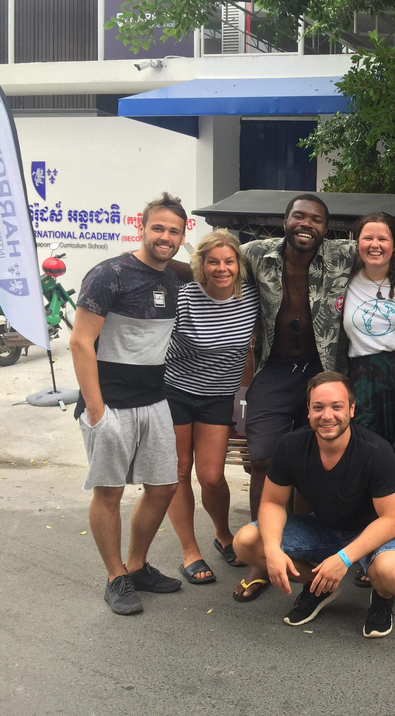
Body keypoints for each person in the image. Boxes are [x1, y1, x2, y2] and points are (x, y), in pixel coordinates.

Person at [200, 194, 395, 603]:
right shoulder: (256, 253)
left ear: (326, 227)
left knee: (320, 454)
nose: (307, 224)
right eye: (299, 216)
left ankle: (315, 547)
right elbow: (217, 257)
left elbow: (384, 242)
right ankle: (265, 560)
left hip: (324, 371)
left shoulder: (339, 254)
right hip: (275, 368)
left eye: (316, 219)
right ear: (285, 221)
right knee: (264, 459)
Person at [70, 193, 188, 615]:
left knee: (164, 486)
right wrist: (96, 410)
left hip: (154, 400)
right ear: (142, 227)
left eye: (174, 231)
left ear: (182, 236)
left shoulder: (176, 277)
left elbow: (222, 267)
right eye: (158, 228)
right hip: (110, 403)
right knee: (109, 491)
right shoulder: (109, 274)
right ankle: (115, 575)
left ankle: (136, 566)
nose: (165, 237)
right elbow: (80, 341)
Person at [232, 372, 395, 639]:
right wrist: (271, 549)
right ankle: (319, 586)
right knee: (246, 541)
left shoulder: (376, 451)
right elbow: (272, 502)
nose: (327, 415)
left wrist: (344, 558)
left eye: (336, 406)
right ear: (308, 411)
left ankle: (382, 597)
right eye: (318, 407)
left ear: (351, 409)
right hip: (323, 528)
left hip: (372, 534)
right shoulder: (290, 445)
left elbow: (392, 520)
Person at [163, 230, 260, 584]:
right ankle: (190, 551)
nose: (222, 268)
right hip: (174, 391)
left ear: (239, 265)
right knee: (178, 472)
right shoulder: (184, 297)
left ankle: (223, 534)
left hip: (218, 396)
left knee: (212, 476)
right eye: (213, 262)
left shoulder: (251, 297)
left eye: (229, 261)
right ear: (201, 265)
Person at [342, 212, 395, 586]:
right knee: (366, 460)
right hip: (363, 380)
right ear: (355, 242)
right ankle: (364, 545)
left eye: (383, 239)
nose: (375, 245)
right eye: (367, 238)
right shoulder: (342, 278)